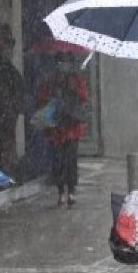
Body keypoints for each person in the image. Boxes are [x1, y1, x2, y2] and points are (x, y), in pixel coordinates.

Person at [36, 53, 88, 206]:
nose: (63, 64)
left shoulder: (76, 79)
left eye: (66, 61)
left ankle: (71, 191)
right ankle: (61, 192)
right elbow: (42, 98)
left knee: (71, 160)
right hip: (57, 128)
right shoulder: (51, 80)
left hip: (71, 127)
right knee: (58, 161)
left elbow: (83, 97)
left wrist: (73, 91)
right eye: (61, 61)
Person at [0, 24, 26, 173]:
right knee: (0, 143)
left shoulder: (2, 64)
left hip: (4, 110)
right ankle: (2, 171)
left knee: (5, 143)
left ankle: (4, 171)